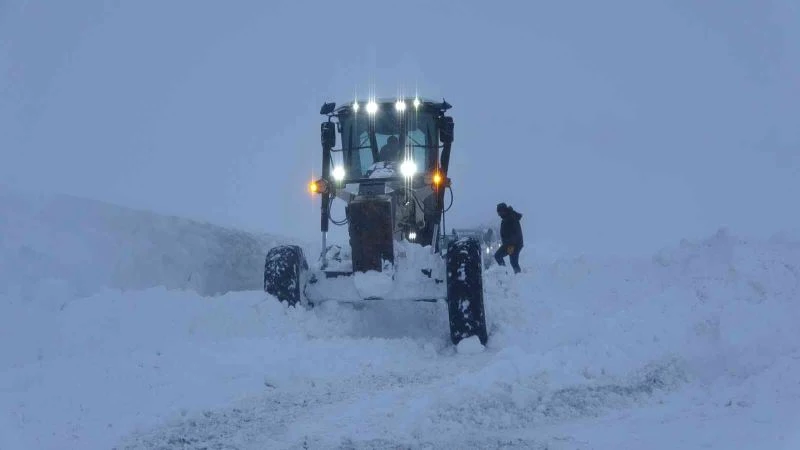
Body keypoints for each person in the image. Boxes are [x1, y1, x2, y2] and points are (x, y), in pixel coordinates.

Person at [494, 202, 523, 273]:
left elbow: (516, 233)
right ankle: (504, 273)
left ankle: (519, 278)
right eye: (498, 213)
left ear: (503, 210)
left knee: (513, 262)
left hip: (513, 245)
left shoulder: (511, 218)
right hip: (509, 244)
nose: (498, 215)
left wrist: (511, 245)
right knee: (498, 256)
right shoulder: (507, 218)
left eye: (499, 212)